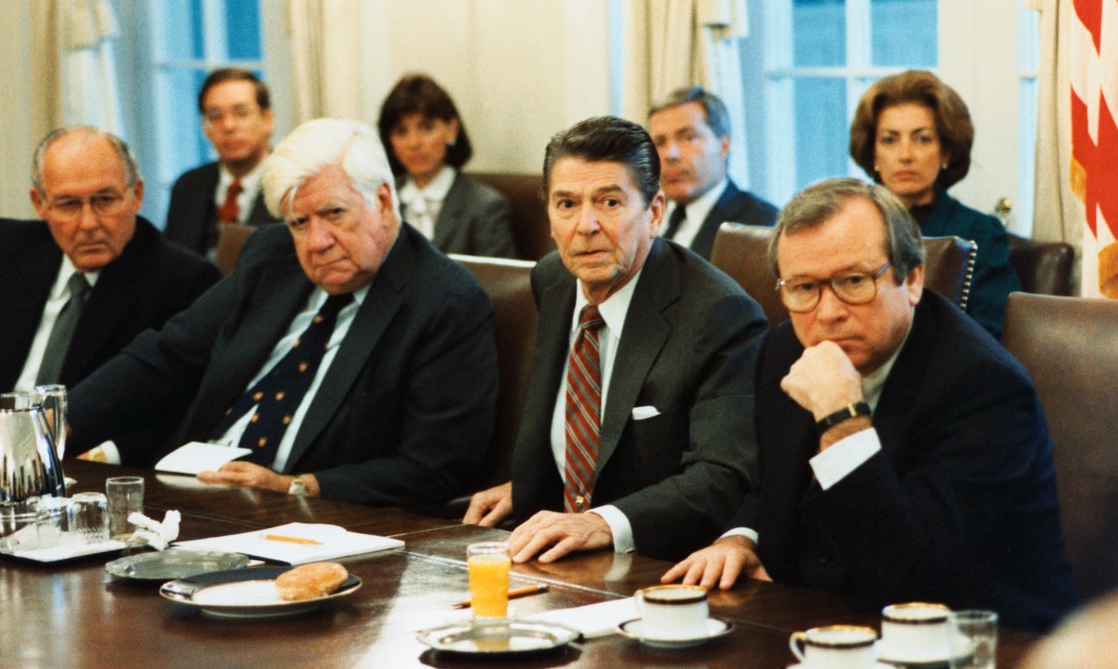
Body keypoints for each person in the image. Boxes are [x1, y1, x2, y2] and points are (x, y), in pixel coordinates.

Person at [662, 178, 1079, 633]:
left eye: (853, 281)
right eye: (803, 288)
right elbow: (771, 487)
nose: (827, 313)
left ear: (913, 278)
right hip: (824, 627)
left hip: (982, 644)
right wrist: (743, 539)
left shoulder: (984, 387)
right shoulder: (783, 351)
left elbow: (911, 580)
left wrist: (842, 420)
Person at [66, 119, 499, 506]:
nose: (316, 242)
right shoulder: (271, 256)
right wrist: (56, 424)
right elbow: (168, 354)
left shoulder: (444, 302)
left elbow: (434, 468)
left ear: (383, 202)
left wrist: (297, 485)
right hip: (191, 491)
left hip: (310, 518)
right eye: (299, 222)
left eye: (334, 214)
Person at [462, 116, 766, 563]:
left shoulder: (718, 313)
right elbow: (583, 429)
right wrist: (536, 485)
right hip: (547, 553)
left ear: (656, 212)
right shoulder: (554, 280)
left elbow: (721, 475)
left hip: (657, 566)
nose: (585, 225)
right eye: (567, 204)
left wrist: (601, 522)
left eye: (609, 202)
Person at [0, 126, 220, 439]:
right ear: (40, 203)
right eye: (68, 205)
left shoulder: (182, 280)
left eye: (105, 200)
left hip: (85, 466)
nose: (88, 223)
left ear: (136, 195)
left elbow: (182, 409)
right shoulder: (0, 249)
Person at [850, 69, 1021, 337]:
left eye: (922, 139)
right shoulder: (847, 226)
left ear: (946, 151)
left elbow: (995, 333)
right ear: (873, 153)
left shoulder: (981, 232)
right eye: (890, 140)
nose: (905, 155)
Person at [377, 74, 517, 258]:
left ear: (452, 129)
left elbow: (501, 283)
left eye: (426, 128)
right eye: (401, 131)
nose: (414, 143)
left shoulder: (484, 206)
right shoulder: (380, 199)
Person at [648, 86, 776, 257]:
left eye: (688, 137)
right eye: (659, 142)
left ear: (723, 146)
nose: (670, 155)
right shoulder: (643, 219)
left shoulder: (763, 225)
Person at [164, 68, 276, 257]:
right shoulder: (188, 186)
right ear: (205, 128)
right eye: (215, 116)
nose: (228, 126)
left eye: (241, 113)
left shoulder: (292, 186)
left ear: (267, 120)